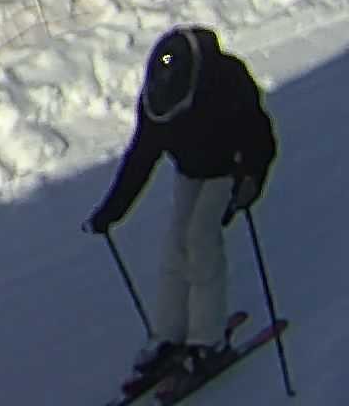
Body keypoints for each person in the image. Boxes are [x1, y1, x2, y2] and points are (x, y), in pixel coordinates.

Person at [82, 25, 277, 381]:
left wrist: (252, 180)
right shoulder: (156, 99)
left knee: (201, 242)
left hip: (227, 171)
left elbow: (259, 136)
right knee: (175, 246)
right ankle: (168, 336)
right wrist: (111, 212)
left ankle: (209, 340)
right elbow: (140, 158)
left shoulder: (226, 81)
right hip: (190, 172)